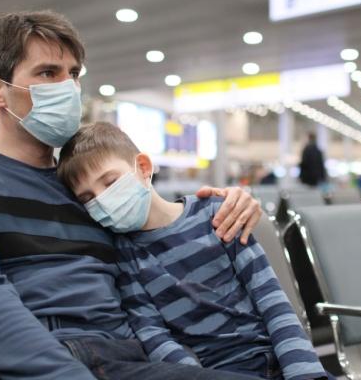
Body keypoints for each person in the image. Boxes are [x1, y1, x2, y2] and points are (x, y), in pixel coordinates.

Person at [0, 10, 263, 380]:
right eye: (47, 73)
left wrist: (222, 205)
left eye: (73, 74)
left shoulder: (85, 187)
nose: (69, 87)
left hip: (120, 356)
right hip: (7, 364)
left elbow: (161, 240)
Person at [57, 122, 327, 380]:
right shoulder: (126, 255)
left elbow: (270, 298)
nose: (102, 199)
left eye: (110, 181)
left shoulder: (217, 214)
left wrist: (303, 372)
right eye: (88, 198)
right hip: (217, 372)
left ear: (142, 167)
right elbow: (153, 334)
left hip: (276, 357)